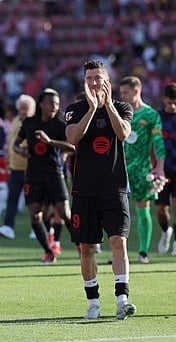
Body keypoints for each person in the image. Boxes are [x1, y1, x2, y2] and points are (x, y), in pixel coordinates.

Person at [65, 59, 136, 320]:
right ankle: (93, 303)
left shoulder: (122, 107)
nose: (94, 82)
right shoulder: (74, 109)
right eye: (89, 79)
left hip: (114, 188)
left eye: (98, 78)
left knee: (119, 241)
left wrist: (106, 107)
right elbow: (73, 138)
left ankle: (122, 300)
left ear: (108, 81)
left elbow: (123, 133)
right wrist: (93, 109)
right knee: (87, 248)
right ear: (84, 82)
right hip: (84, 190)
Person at [13, 88, 74, 263]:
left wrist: (51, 142)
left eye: (57, 104)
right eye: (51, 103)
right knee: (35, 214)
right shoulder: (29, 123)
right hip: (33, 175)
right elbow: (16, 144)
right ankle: (48, 252)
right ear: (41, 104)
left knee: (64, 213)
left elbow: (73, 147)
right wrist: (21, 150)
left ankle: (81, 246)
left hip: (54, 173)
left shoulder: (60, 125)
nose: (54, 107)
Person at [119, 76, 165, 264]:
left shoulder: (151, 115)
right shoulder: (119, 113)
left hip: (141, 169)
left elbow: (158, 143)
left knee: (142, 209)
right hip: (119, 168)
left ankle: (143, 252)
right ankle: (118, 253)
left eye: (125, 93)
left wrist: (159, 168)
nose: (121, 97)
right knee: (116, 210)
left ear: (136, 91)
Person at [0, 95, 36, 240]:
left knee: (33, 201)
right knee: (12, 199)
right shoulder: (16, 121)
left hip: (30, 168)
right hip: (15, 167)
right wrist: (8, 159)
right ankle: (8, 227)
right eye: (21, 108)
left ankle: (36, 228)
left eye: (26, 108)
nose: (23, 111)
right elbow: (11, 141)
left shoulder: (35, 123)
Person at [156, 83, 176, 256]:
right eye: (170, 102)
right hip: (163, 168)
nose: (173, 106)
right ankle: (165, 232)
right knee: (161, 210)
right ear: (164, 100)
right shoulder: (157, 118)